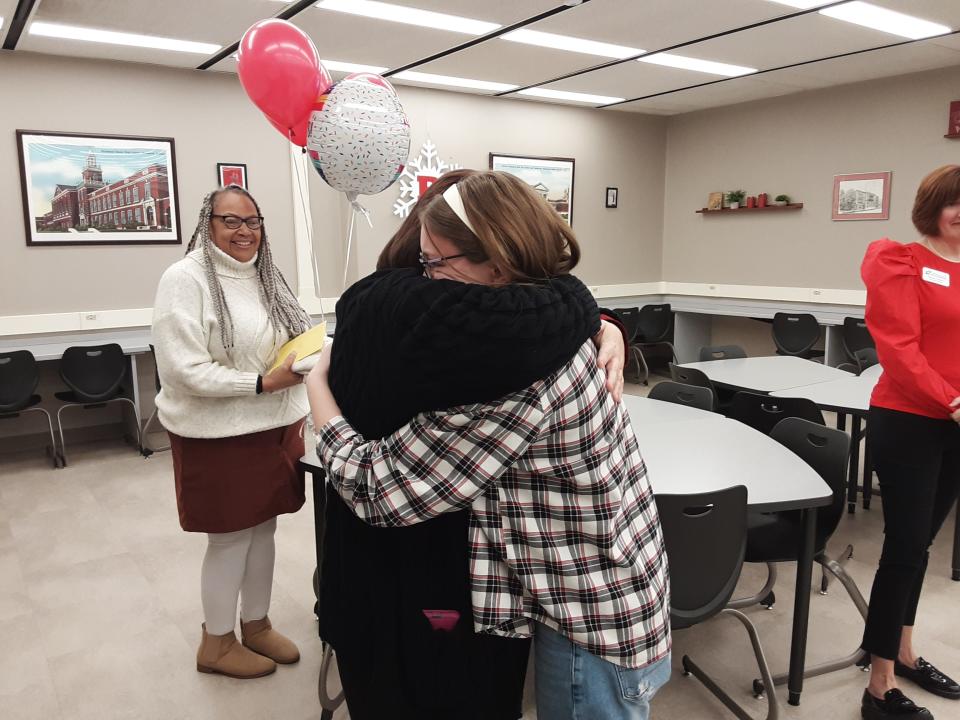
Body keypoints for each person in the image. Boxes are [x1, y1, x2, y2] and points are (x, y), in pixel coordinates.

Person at [309, 170, 671, 720]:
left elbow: (379, 488)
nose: (425, 282)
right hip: (611, 588)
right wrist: (604, 322)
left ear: (498, 264)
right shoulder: (553, 328)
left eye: (435, 263)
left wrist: (318, 390)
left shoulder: (514, 374)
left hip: (592, 621)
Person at [152, 184, 313, 679]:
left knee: (263, 529)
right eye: (231, 221)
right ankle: (216, 643)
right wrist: (263, 382)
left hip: (274, 424)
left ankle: (256, 625)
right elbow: (182, 370)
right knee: (229, 539)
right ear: (208, 223)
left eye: (253, 221)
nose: (245, 232)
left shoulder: (268, 275)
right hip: (217, 433)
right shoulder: (185, 278)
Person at [859, 165, 960, 720]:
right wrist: (952, 400)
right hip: (909, 420)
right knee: (903, 549)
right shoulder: (899, 259)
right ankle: (879, 686)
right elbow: (898, 350)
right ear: (933, 208)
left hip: (954, 424)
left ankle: (904, 649)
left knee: (920, 547)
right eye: (954, 203)